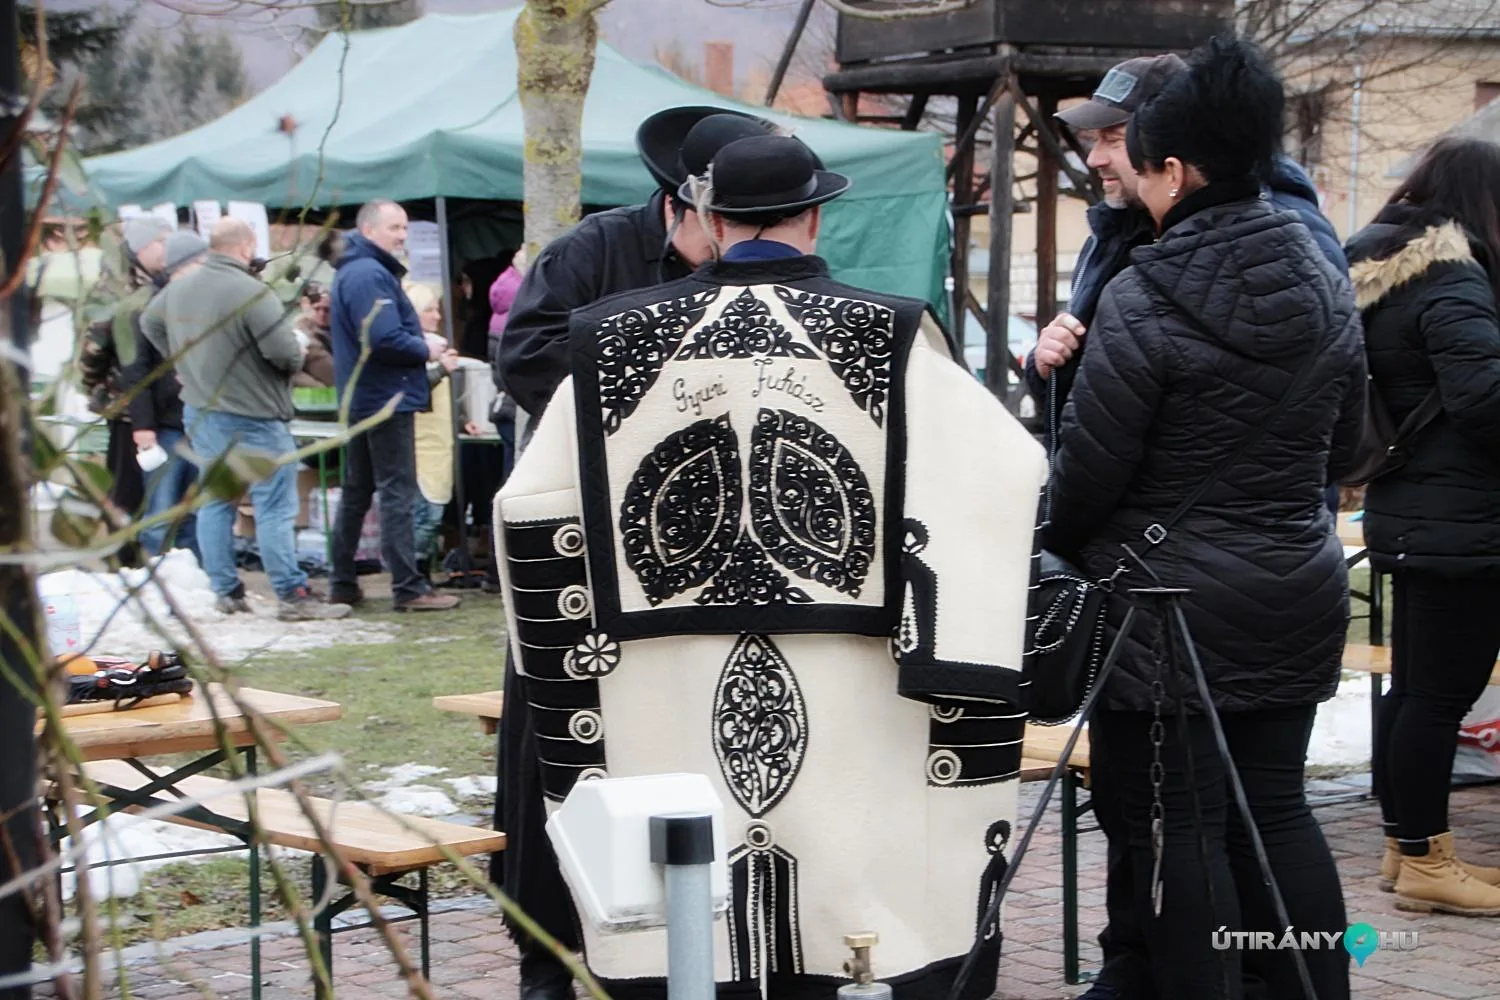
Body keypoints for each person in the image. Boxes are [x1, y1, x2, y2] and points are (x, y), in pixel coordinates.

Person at [494, 130, 1047, 1000]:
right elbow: (1009, 470)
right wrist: (942, 634)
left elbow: (528, 505)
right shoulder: (891, 335)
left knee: (692, 895)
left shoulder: (610, 341)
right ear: (818, 216)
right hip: (853, 660)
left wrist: (577, 656)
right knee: (840, 870)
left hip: (657, 675)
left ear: (708, 218)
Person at [1044, 37, 1365, 1000]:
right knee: (1277, 811)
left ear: (1175, 171)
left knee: (1180, 826)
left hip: (1170, 602)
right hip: (1296, 578)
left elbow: (1089, 479)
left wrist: (1055, 537)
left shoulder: (1143, 295)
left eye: (1134, 160)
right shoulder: (1326, 281)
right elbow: (1348, 449)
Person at [488, 106, 776, 1000]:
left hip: (702, 546)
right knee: (551, 748)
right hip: (580, 536)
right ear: (680, 208)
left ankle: (681, 942)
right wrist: (653, 364)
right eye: (721, 227)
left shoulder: (746, 267)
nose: (734, 244)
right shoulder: (589, 252)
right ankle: (543, 952)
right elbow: (523, 357)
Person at [1346, 136, 1500, 918]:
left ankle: (1406, 846)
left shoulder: (1386, 274)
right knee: (1440, 695)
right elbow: (1484, 403)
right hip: (1463, 521)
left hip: (1415, 512)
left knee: (1416, 691)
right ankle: (1425, 860)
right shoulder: (1454, 283)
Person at [140, 218, 350, 622]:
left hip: (202, 411)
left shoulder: (178, 288)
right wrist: (297, 345)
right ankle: (291, 593)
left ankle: (225, 590)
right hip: (255, 415)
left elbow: (149, 322)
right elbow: (285, 355)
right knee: (274, 504)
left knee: (217, 502)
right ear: (246, 246)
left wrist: (180, 360)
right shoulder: (252, 292)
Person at [327, 199, 460, 613]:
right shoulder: (369, 274)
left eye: (405, 228)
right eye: (394, 229)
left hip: (364, 397)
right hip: (385, 399)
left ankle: (343, 582)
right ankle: (409, 587)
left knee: (358, 492)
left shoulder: (356, 269)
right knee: (396, 492)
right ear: (368, 231)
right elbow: (383, 338)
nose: (402, 236)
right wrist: (426, 347)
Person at [80, 216, 171, 533]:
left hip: (159, 402)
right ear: (143, 246)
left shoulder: (159, 282)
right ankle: (121, 556)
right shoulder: (115, 288)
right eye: (162, 241)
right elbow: (94, 348)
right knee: (126, 488)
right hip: (126, 404)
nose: (167, 249)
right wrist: (99, 388)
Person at [120, 231, 207, 562]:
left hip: (199, 419)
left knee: (196, 508)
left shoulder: (202, 304)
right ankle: (155, 574)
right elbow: (135, 371)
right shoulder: (145, 308)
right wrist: (143, 426)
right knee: (161, 508)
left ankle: (197, 575)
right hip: (164, 423)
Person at [403, 282, 477, 567]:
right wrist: (440, 370)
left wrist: (462, 420)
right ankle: (415, 571)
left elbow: (444, 398)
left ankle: (420, 572)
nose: (436, 316)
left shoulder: (437, 347)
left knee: (432, 513)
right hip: (419, 444)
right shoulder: (409, 350)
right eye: (429, 310)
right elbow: (414, 390)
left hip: (439, 443)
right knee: (424, 515)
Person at [292, 282, 335, 388]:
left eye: (327, 310)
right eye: (317, 309)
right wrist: (318, 387)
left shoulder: (337, 332)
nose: (322, 314)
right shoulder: (302, 335)